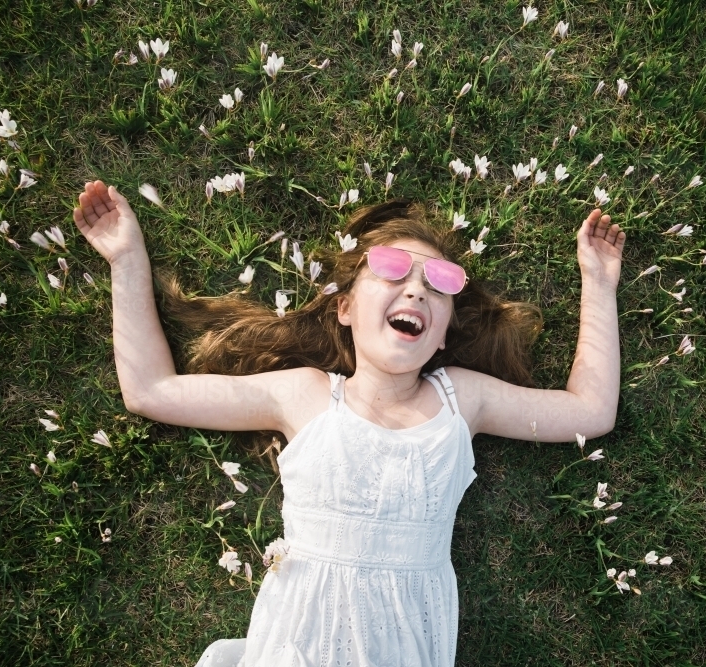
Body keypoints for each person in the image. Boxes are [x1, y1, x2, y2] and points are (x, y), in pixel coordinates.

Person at [72, 180, 626, 667]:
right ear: (344, 309)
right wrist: (126, 260)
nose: (415, 289)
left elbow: (590, 412)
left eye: (437, 286)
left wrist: (599, 285)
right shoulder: (307, 395)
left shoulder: (464, 400)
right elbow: (150, 391)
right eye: (390, 272)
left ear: (443, 333)